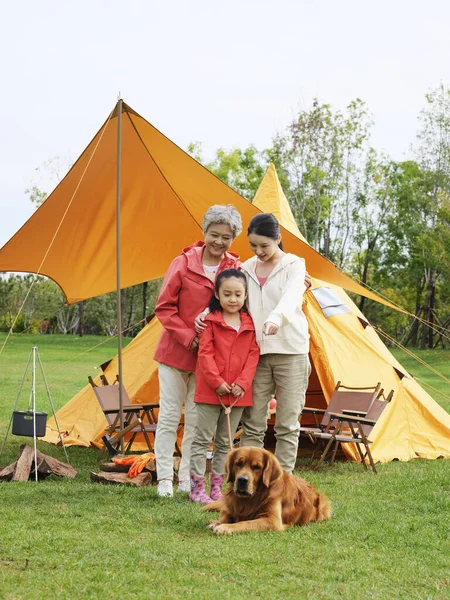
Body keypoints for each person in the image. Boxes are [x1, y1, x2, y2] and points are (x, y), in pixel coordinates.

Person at [153, 205, 242, 498]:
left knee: (195, 421)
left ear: (233, 238)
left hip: (208, 361)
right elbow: (164, 308)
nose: (219, 242)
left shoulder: (235, 268)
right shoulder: (182, 263)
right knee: (168, 417)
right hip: (174, 354)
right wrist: (189, 337)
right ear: (204, 232)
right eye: (214, 235)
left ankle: (186, 480)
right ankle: (164, 478)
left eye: (226, 237)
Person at [239, 213, 310, 474]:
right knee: (253, 422)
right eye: (253, 246)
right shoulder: (246, 268)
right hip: (256, 353)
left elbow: (292, 295)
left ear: (278, 239)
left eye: (264, 246)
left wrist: (275, 318)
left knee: (287, 424)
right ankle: (247, 480)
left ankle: (283, 482)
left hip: (290, 352)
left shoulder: (294, 264)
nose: (259, 251)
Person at [189, 269, 260, 504]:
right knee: (202, 439)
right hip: (211, 392)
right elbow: (205, 354)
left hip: (238, 395)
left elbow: (252, 356)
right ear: (217, 296)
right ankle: (197, 488)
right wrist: (217, 382)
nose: (233, 299)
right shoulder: (210, 322)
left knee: (225, 443)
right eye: (227, 294)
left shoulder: (250, 324)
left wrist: (241, 384)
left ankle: (217, 488)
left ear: (245, 295)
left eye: (238, 294)